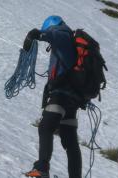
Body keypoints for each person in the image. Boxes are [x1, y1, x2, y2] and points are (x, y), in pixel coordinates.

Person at [23, 16, 83, 178]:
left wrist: (37, 34)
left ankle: (42, 169)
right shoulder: (71, 39)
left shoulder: (61, 32)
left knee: (46, 127)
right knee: (70, 141)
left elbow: (56, 35)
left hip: (61, 95)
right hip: (73, 100)